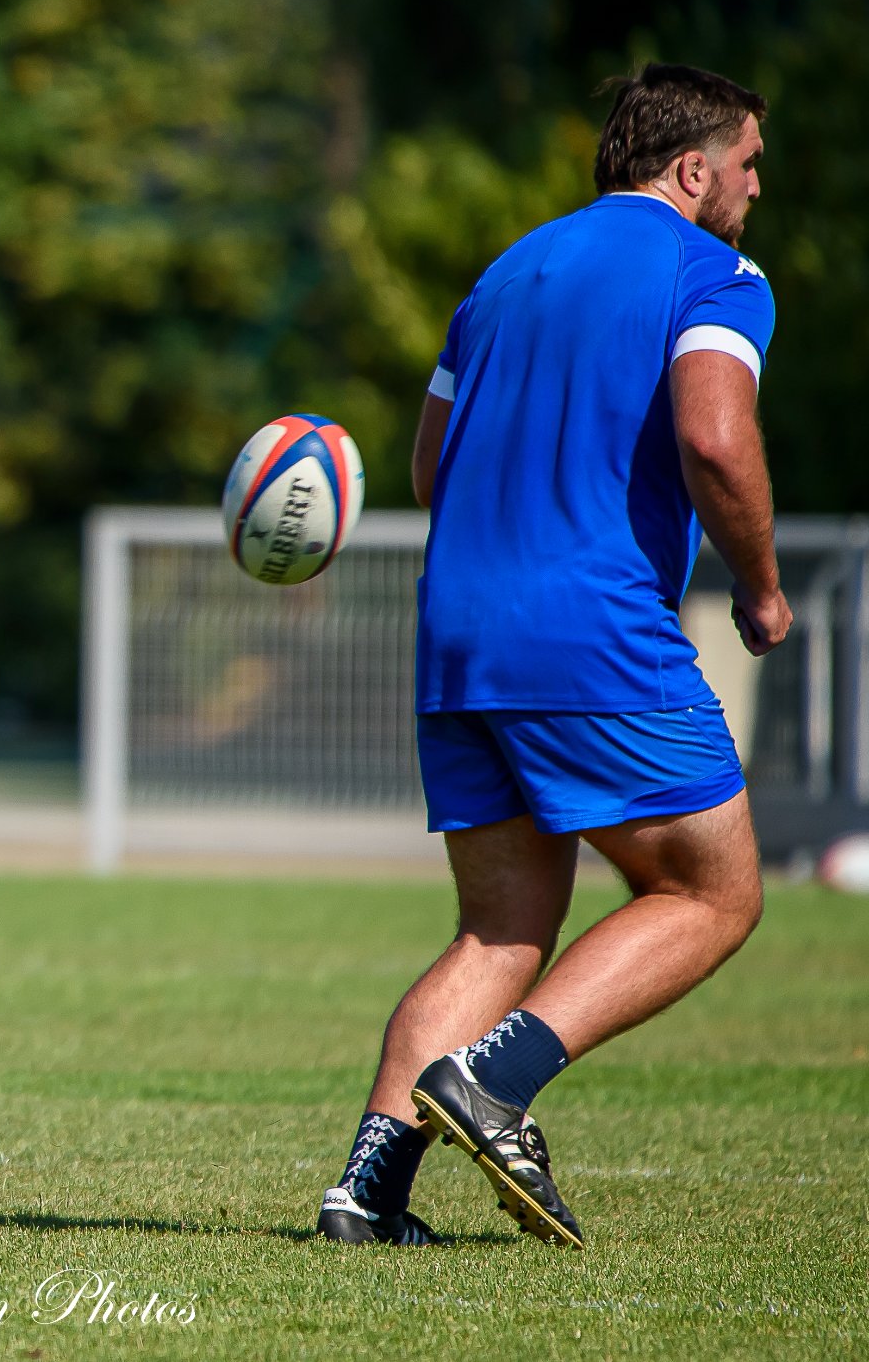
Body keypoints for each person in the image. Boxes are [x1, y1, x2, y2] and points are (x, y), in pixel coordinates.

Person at [315, 63, 786, 1249]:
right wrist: (761, 588)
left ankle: (365, 1193)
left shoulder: (503, 273)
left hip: (457, 631)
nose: (754, 188)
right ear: (692, 170)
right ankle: (495, 1077)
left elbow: (429, 469)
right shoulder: (710, 273)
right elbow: (712, 436)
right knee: (712, 892)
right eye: (747, 165)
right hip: (590, 626)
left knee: (500, 929)